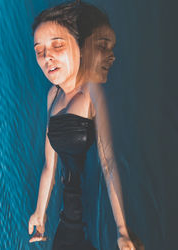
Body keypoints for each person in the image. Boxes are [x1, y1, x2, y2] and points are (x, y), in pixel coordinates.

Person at [28, 2, 136, 249]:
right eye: (39, 50)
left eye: (58, 45)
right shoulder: (52, 97)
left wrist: (122, 230)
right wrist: (40, 212)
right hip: (68, 218)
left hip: (94, 221)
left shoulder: (92, 92)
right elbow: (49, 165)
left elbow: (108, 164)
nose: (47, 57)